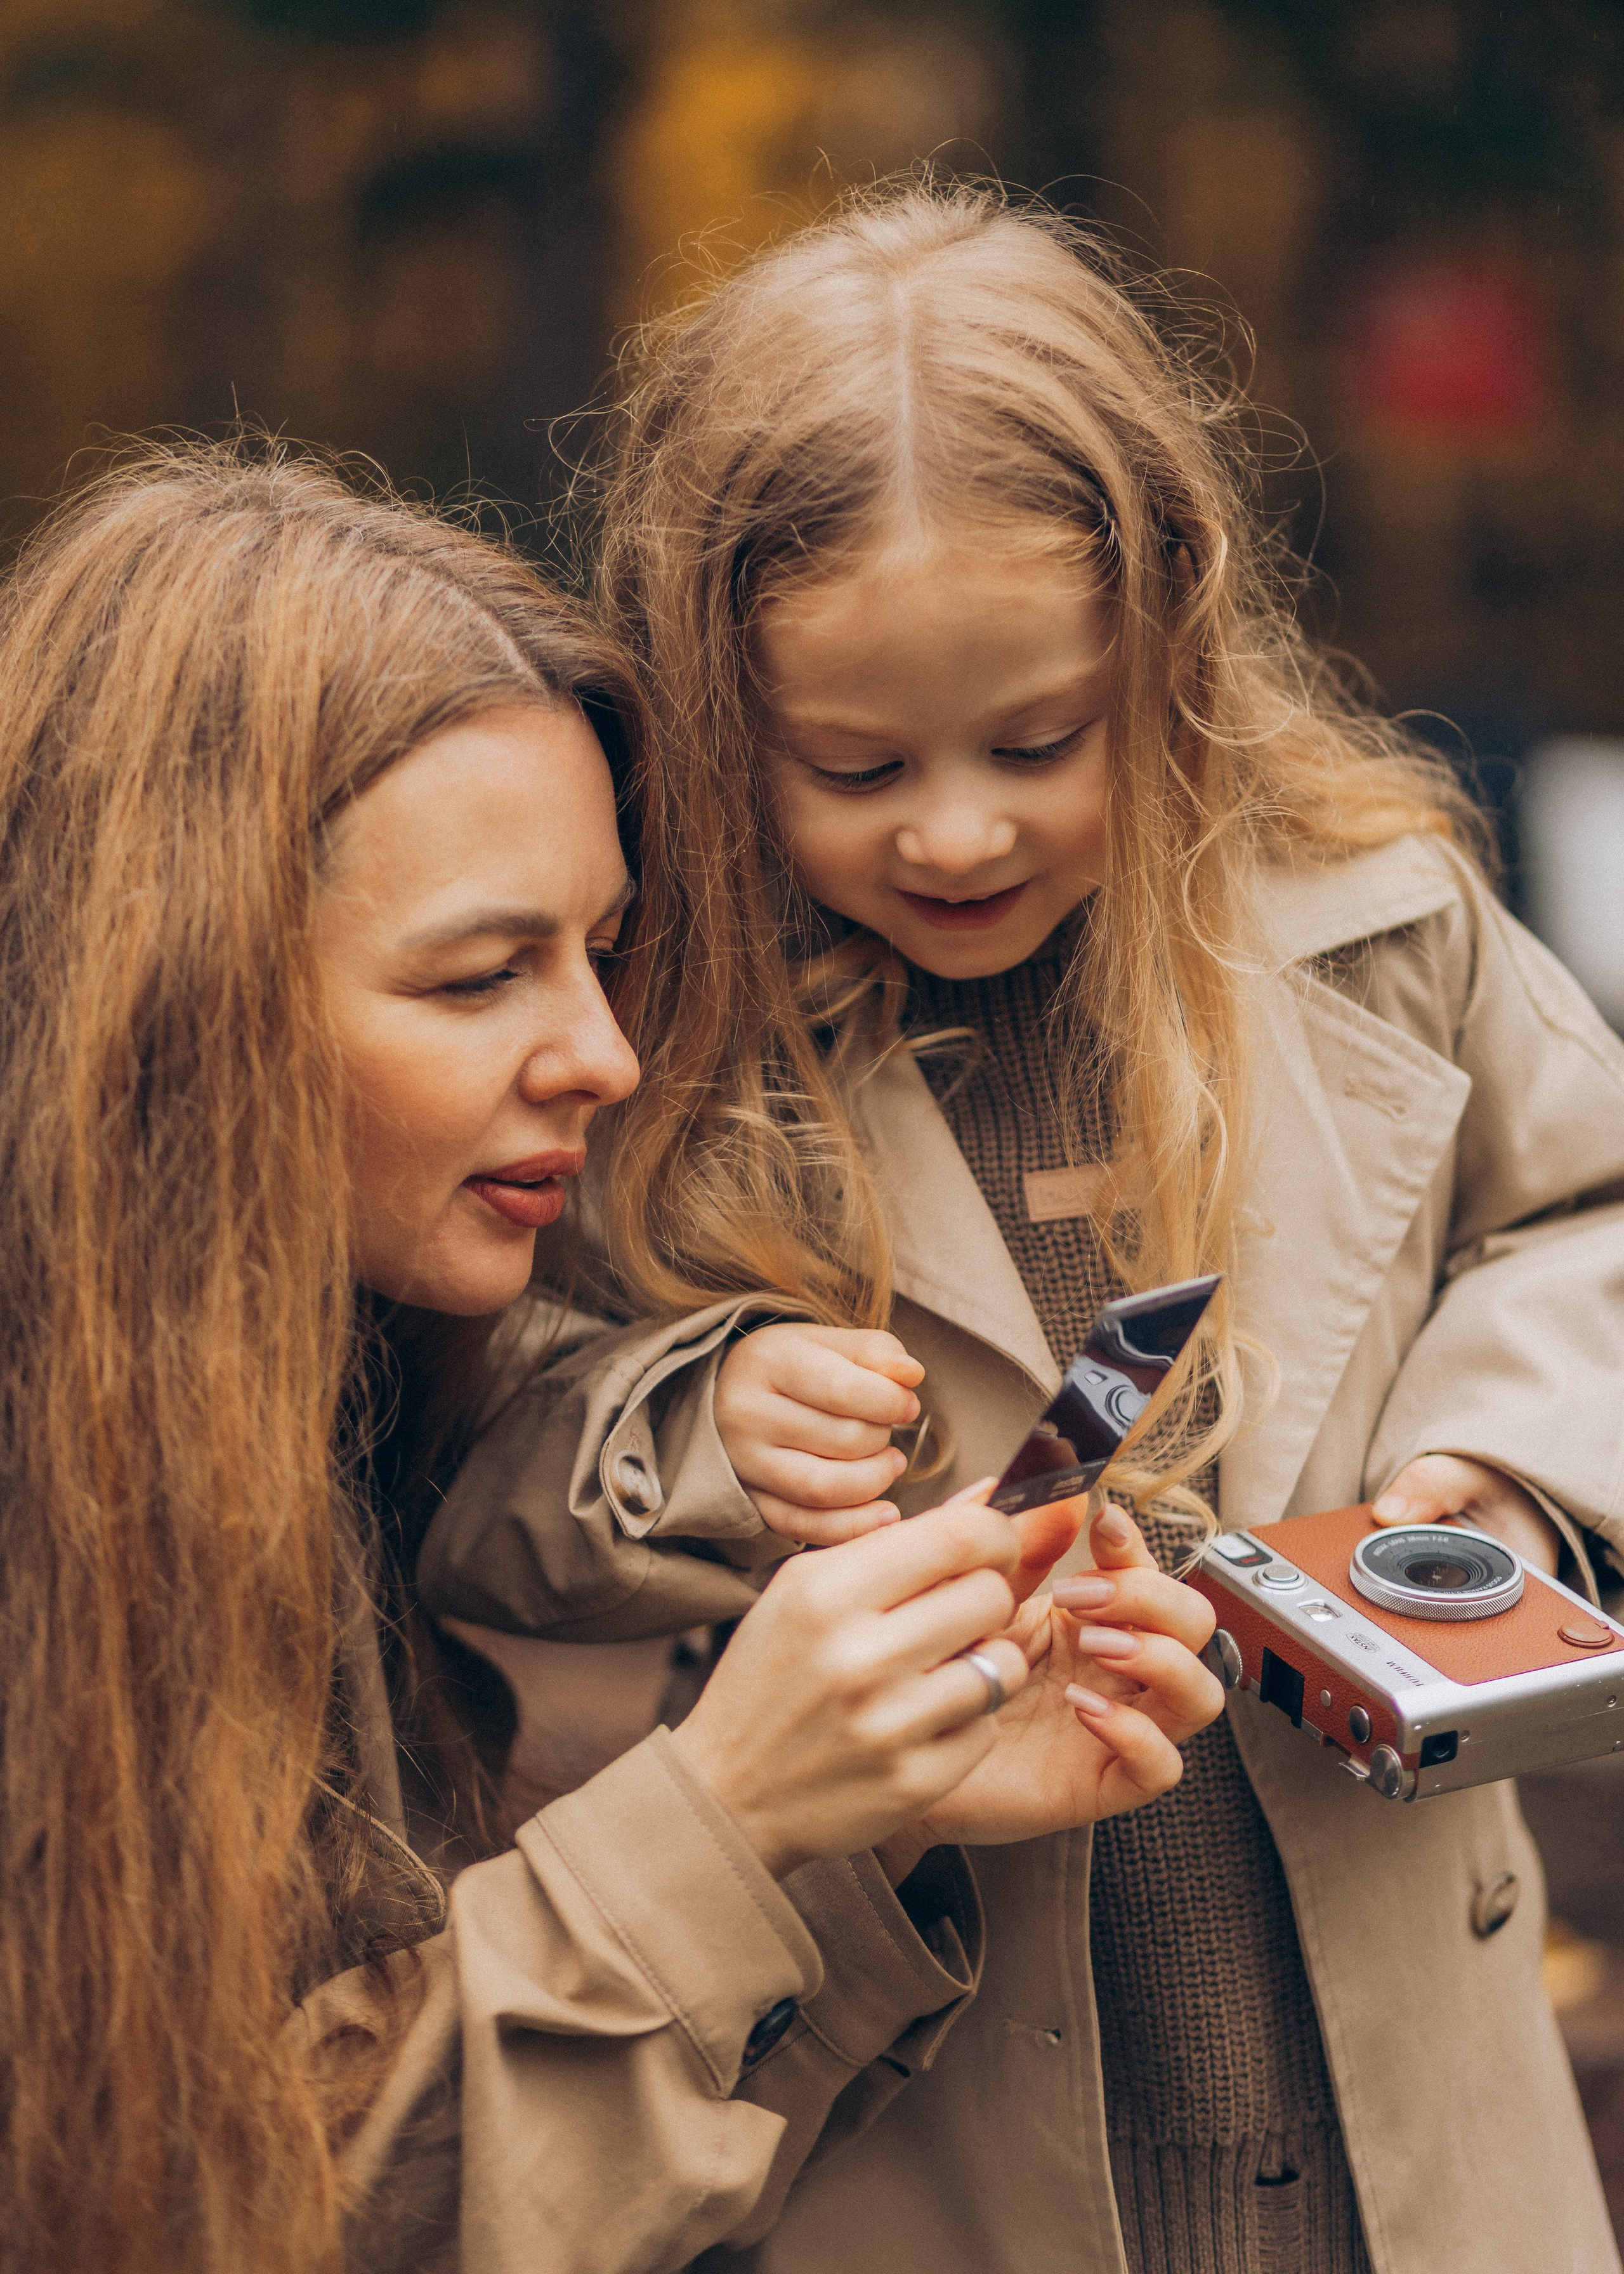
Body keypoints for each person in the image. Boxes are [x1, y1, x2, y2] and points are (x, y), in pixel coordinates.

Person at [417, 184, 1624, 2274]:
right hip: (933, 2125)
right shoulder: (656, 1039)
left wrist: (1494, 1485)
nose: (958, 829)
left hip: (1415, 2126)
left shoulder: (1379, 920)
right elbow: (460, 1447)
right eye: (857, 765)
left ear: (1170, 637)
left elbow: (1587, 1216)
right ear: (716, 722)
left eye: (1041, 742)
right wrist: (696, 1428)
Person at [0, 436, 1222, 2274]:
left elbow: (447, 2165)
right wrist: (722, 1809)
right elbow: (202, 2209)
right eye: (480, 975)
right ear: (169, 1003)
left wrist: (848, 1815)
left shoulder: (316, 1399)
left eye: (603, 950)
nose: (606, 1055)